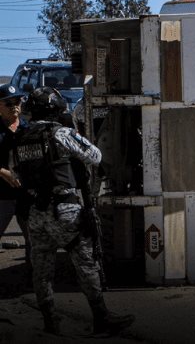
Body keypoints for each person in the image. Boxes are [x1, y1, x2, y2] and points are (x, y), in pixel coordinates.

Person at [10, 86, 134, 336]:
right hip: (64, 208)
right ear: (56, 108)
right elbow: (95, 156)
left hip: (36, 211)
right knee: (85, 262)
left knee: (42, 269)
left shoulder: (21, 139)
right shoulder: (60, 133)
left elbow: (16, 173)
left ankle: (50, 322)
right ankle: (101, 318)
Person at [0, 84, 28, 256]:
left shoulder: (28, 129)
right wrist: (3, 172)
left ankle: (34, 278)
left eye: (17, 101)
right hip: (2, 195)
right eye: (8, 103)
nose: (15, 106)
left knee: (33, 239)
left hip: (26, 195)